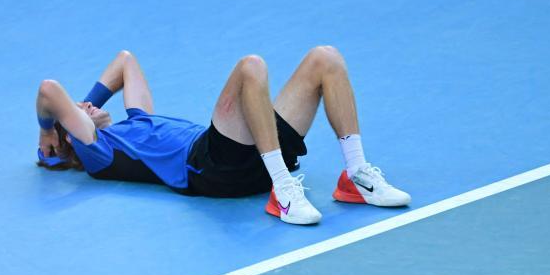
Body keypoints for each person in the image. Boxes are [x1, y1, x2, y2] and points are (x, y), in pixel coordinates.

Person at [35, 47, 410, 225]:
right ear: (76, 137)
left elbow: (125, 61)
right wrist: (47, 131)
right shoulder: (100, 153)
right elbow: (50, 90)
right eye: (78, 111)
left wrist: (88, 103)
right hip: (210, 168)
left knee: (325, 59)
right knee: (251, 68)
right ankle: (283, 190)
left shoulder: (137, 120)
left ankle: (355, 177)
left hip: (251, 152)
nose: (84, 105)